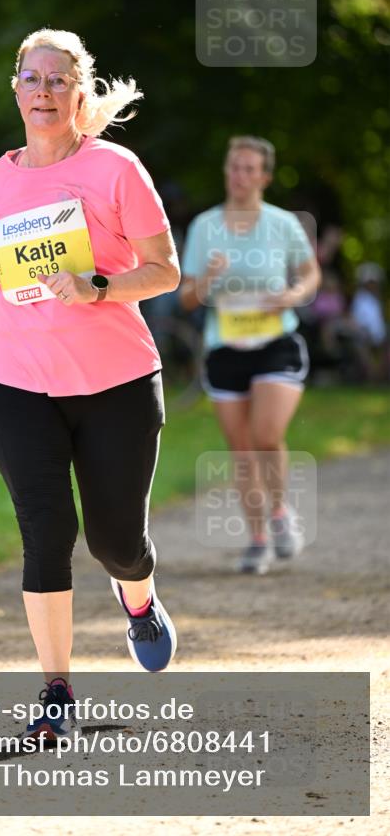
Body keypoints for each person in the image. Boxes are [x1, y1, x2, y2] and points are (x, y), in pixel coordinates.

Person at [0, 28, 181, 741]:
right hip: (15, 384)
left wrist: (98, 286)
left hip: (117, 384)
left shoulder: (115, 169)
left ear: (80, 91)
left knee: (116, 542)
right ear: (15, 88)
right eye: (32, 79)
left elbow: (164, 270)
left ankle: (137, 598)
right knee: (46, 531)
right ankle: (55, 689)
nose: (44, 92)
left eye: (58, 80)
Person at [179, 136, 321, 575]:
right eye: (233, 167)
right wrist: (208, 278)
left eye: (248, 168)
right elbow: (186, 298)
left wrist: (293, 294)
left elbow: (310, 272)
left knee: (265, 435)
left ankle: (280, 513)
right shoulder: (205, 226)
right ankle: (258, 540)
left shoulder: (282, 224)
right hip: (226, 348)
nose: (238, 175)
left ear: (264, 177)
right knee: (241, 450)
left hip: (277, 344)